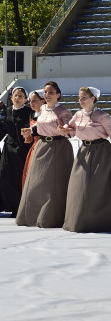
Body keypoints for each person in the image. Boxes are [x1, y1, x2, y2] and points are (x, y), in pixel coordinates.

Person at [16, 81, 74, 228]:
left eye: (51, 92)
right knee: (36, 182)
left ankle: (50, 217)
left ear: (58, 95)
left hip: (58, 147)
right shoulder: (42, 108)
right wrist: (31, 130)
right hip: (42, 146)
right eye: (45, 92)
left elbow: (69, 127)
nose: (47, 95)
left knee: (53, 184)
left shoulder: (64, 111)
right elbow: (40, 124)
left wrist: (65, 130)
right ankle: (32, 215)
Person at [61, 87, 111, 233]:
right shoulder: (77, 114)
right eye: (79, 98)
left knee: (97, 187)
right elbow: (70, 127)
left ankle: (98, 221)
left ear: (92, 99)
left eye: (84, 98)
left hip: (102, 152)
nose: (80, 100)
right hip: (84, 151)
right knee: (79, 184)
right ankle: (78, 219)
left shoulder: (103, 116)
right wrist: (65, 129)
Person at [0, 87, 33, 215]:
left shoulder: (29, 112)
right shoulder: (8, 111)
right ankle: (11, 204)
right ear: (11, 98)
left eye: (20, 96)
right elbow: (3, 129)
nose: (17, 98)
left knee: (20, 178)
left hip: (23, 148)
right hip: (9, 147)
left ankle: (20, 206)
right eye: (15, 96)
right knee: (4, 176)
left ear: (25, 99)